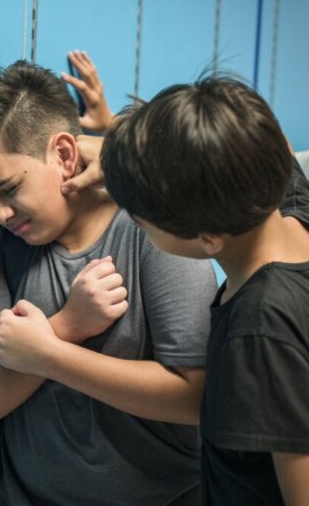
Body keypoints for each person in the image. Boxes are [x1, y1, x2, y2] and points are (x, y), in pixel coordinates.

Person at [0, 60, 218, 505]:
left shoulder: (152, 231)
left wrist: (50, 356)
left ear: (66, 156)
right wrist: (65, 327)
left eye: (8, 188)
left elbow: (195, 397)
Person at [97, 77, 309, 504]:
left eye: (140, 220)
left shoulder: (260, 330)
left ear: (208, 238)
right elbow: (275, 145)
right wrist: (119, 139)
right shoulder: (293, 211)